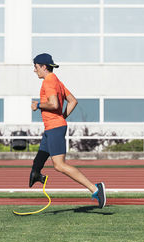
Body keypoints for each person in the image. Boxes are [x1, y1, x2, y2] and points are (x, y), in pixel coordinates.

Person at [29, 53, 106, 208]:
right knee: (40, 158)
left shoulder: (48, 83)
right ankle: (36, 174)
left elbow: (54, 104)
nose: (34, 70)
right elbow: (73, 101)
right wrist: (61, 117)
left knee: (59, 165)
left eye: (36, 67)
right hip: (52, 127)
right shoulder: (56, 81)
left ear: (44, 67)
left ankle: (95, 188)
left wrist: (38, 105)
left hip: (54, 127)